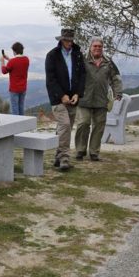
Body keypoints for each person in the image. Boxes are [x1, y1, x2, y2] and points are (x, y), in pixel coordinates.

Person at [75, 38, 123, 161]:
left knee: (99, 126)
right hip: (84, 98)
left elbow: (115, 78)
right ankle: (80, 150)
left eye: (100, 46)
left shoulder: (108, 62)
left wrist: (118, 92)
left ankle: (94, 152)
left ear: (102, 48)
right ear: (90, 47)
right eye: (95, 46)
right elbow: (74, 76)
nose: (97, 48)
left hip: (101, 99)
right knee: (83, 123)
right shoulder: (82, 60)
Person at [45, 28, 85, 171]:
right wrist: (61, 95)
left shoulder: (78, 55)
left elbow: (82, 76)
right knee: (66, 125)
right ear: (61, 40)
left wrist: (77, 94)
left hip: (73, 98)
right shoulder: (52, 56)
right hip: (58, 99)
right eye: (66, 40)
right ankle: (64, 158)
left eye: (71, 40)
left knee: (64, 129)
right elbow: (50, 79)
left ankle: (58, 156)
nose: (69, 42)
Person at [0, 42, 30, 115]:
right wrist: (8, 59)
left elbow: (4, 71)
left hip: (14, 89)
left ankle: (16, 124)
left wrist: (2, 62)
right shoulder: (26, 59)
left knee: (15, 108)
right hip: (23, 88)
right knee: (21, 107)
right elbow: (17, 64)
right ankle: (22, 124)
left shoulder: (12, 62)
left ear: (14, 51)